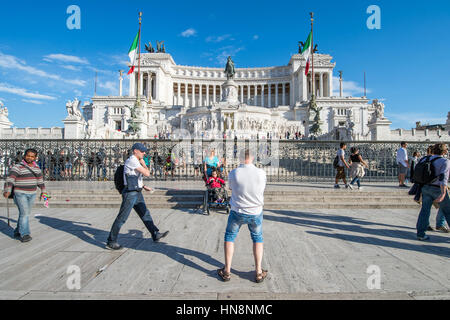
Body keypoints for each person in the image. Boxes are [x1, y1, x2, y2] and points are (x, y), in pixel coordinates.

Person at [217, 149, 268, 283]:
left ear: (240, 159)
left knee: (229, 237)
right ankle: (258, 272)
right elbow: (262, 189)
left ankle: (227, 271)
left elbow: (231, 189)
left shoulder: (234, 173)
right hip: (255, 211)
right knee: (257, 238)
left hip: (237, 211)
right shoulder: (261, 173)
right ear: (253, 158)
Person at [106, 143, 169, 250]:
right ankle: (111, 241)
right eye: (142, 151)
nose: (144, 153)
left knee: (145, 214)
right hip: (130, 193)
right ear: (135, 151)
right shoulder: (132, 160)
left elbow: (133, 177)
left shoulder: (135, 161)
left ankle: (155, 234)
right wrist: (144, 164)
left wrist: (144, 186)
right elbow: (147, 173)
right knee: (122, 218)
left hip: (137, 192)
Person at [3, 148, 46, 243]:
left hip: (32, 193)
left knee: (24, 213)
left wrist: (43, 191)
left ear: (35, 157)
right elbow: (10, 179)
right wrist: (8, 190)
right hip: (20, 193)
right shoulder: (17, 167)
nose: (29, 158)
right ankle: (25, 234)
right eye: (28, 156)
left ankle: (18, 231)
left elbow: (40, 180)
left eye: (32, 156)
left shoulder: (36, 168)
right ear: (24, 156)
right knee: (25, 213)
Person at [415, 143, 450, 241]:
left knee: (425, 210)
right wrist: (443, 193)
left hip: (425, 188)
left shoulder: (425, 159)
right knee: (448, 211)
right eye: (446, 149)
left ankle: (420, 234)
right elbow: (443, 178)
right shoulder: (445, 161)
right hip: (438, 188)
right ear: (444, 151)